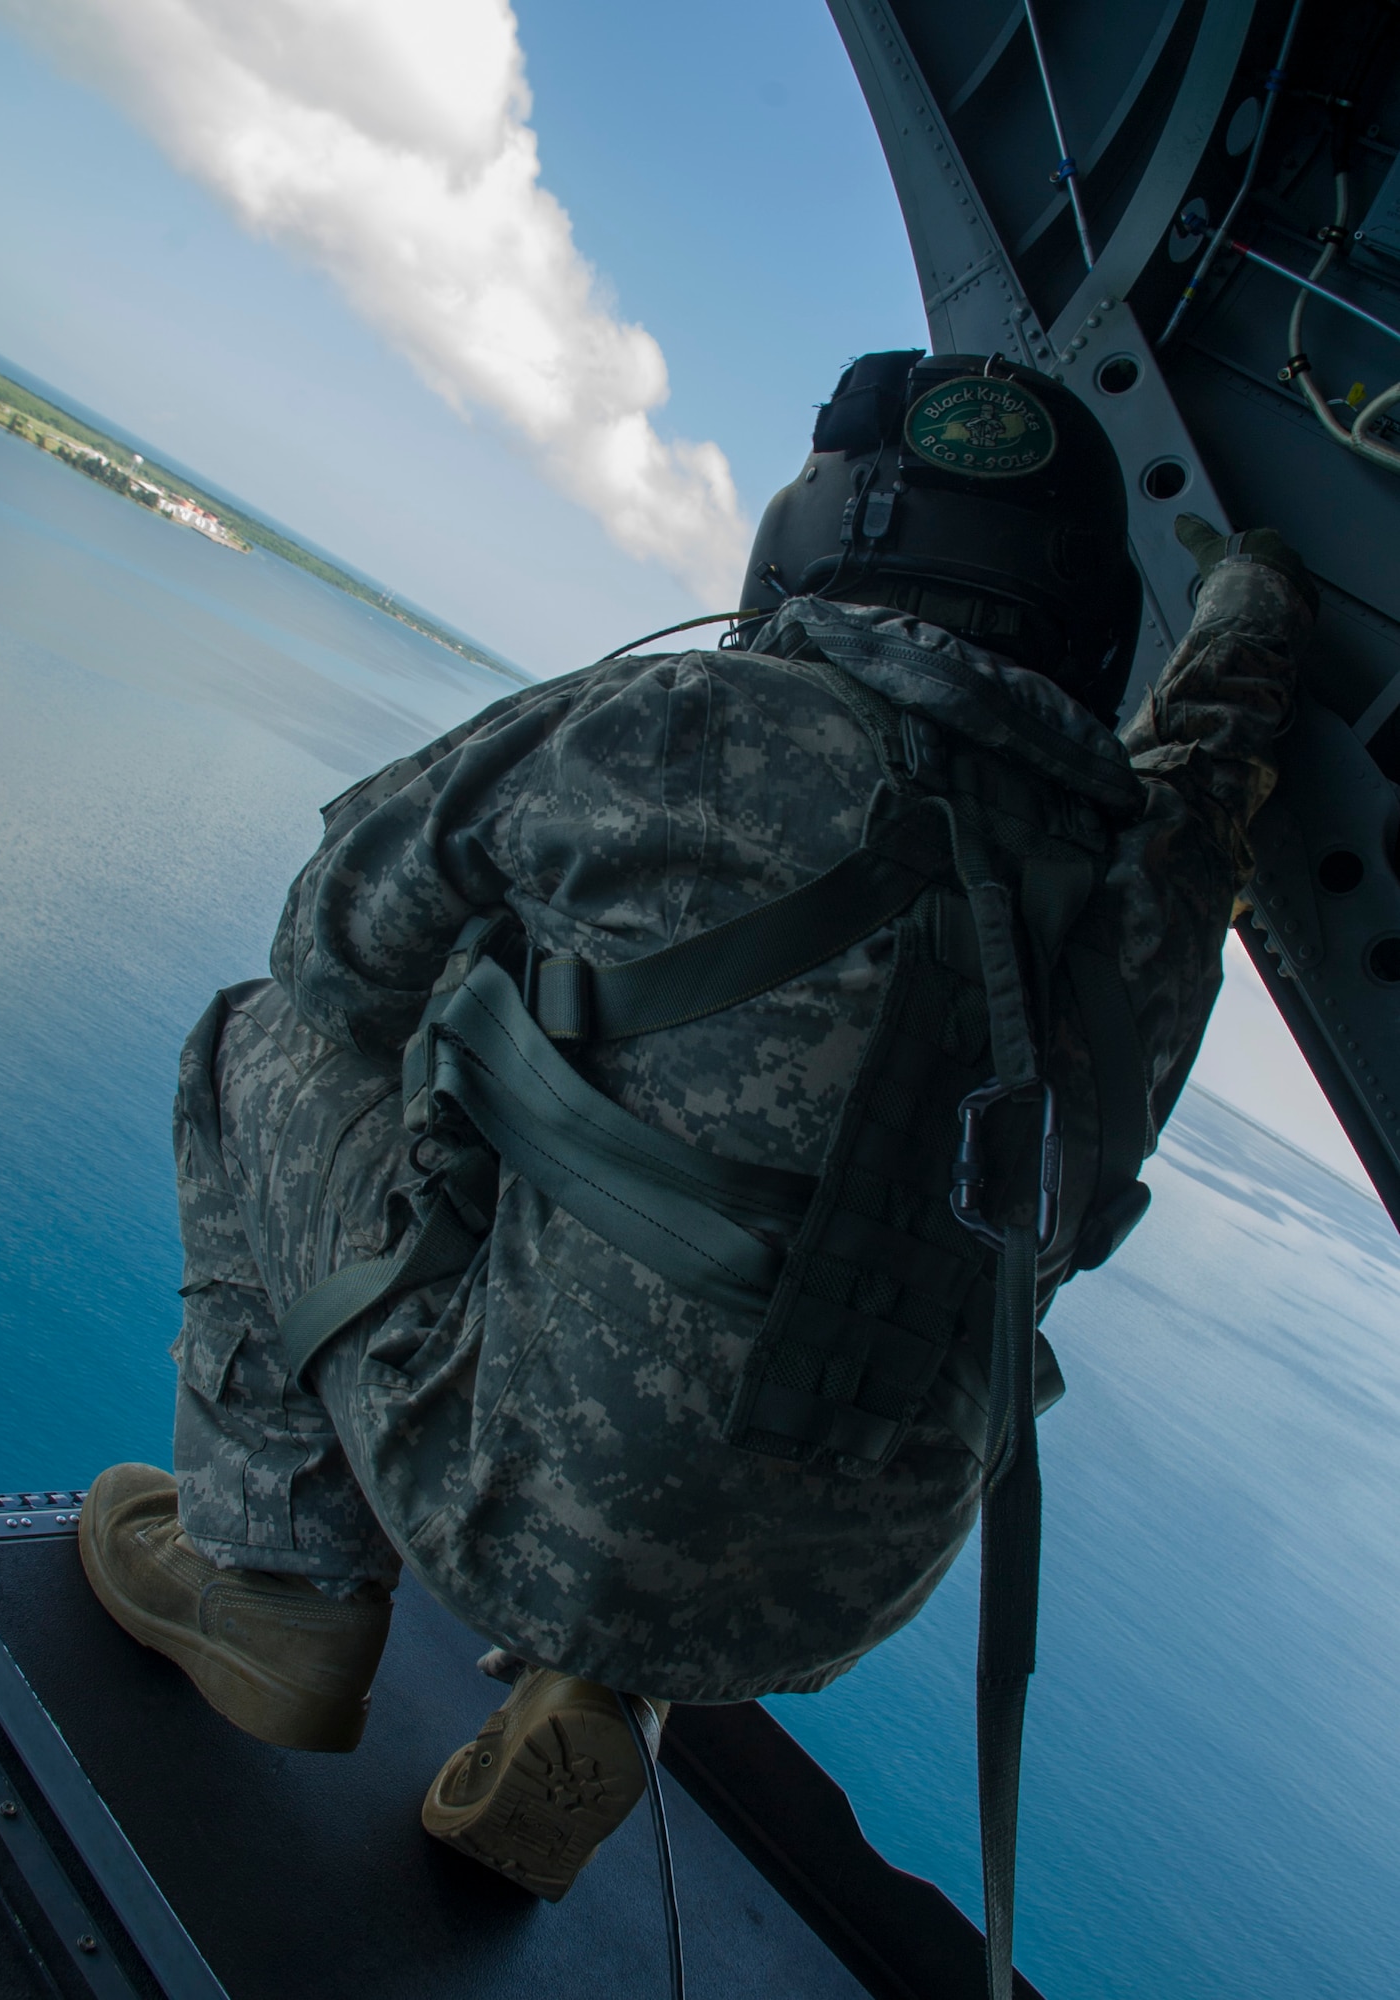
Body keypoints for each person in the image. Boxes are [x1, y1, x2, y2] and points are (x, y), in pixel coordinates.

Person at [78, 351, 1315, 1930]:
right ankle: (605, 1699)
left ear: (822, 535)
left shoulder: (687, 714)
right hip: (826, 1595)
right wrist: (1256, 601)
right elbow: (1217, 738)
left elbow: (332, 951)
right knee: (806, 1225)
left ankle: (271, 1577)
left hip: (525, 1494)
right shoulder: (1151, 879)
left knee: (262, 1035)